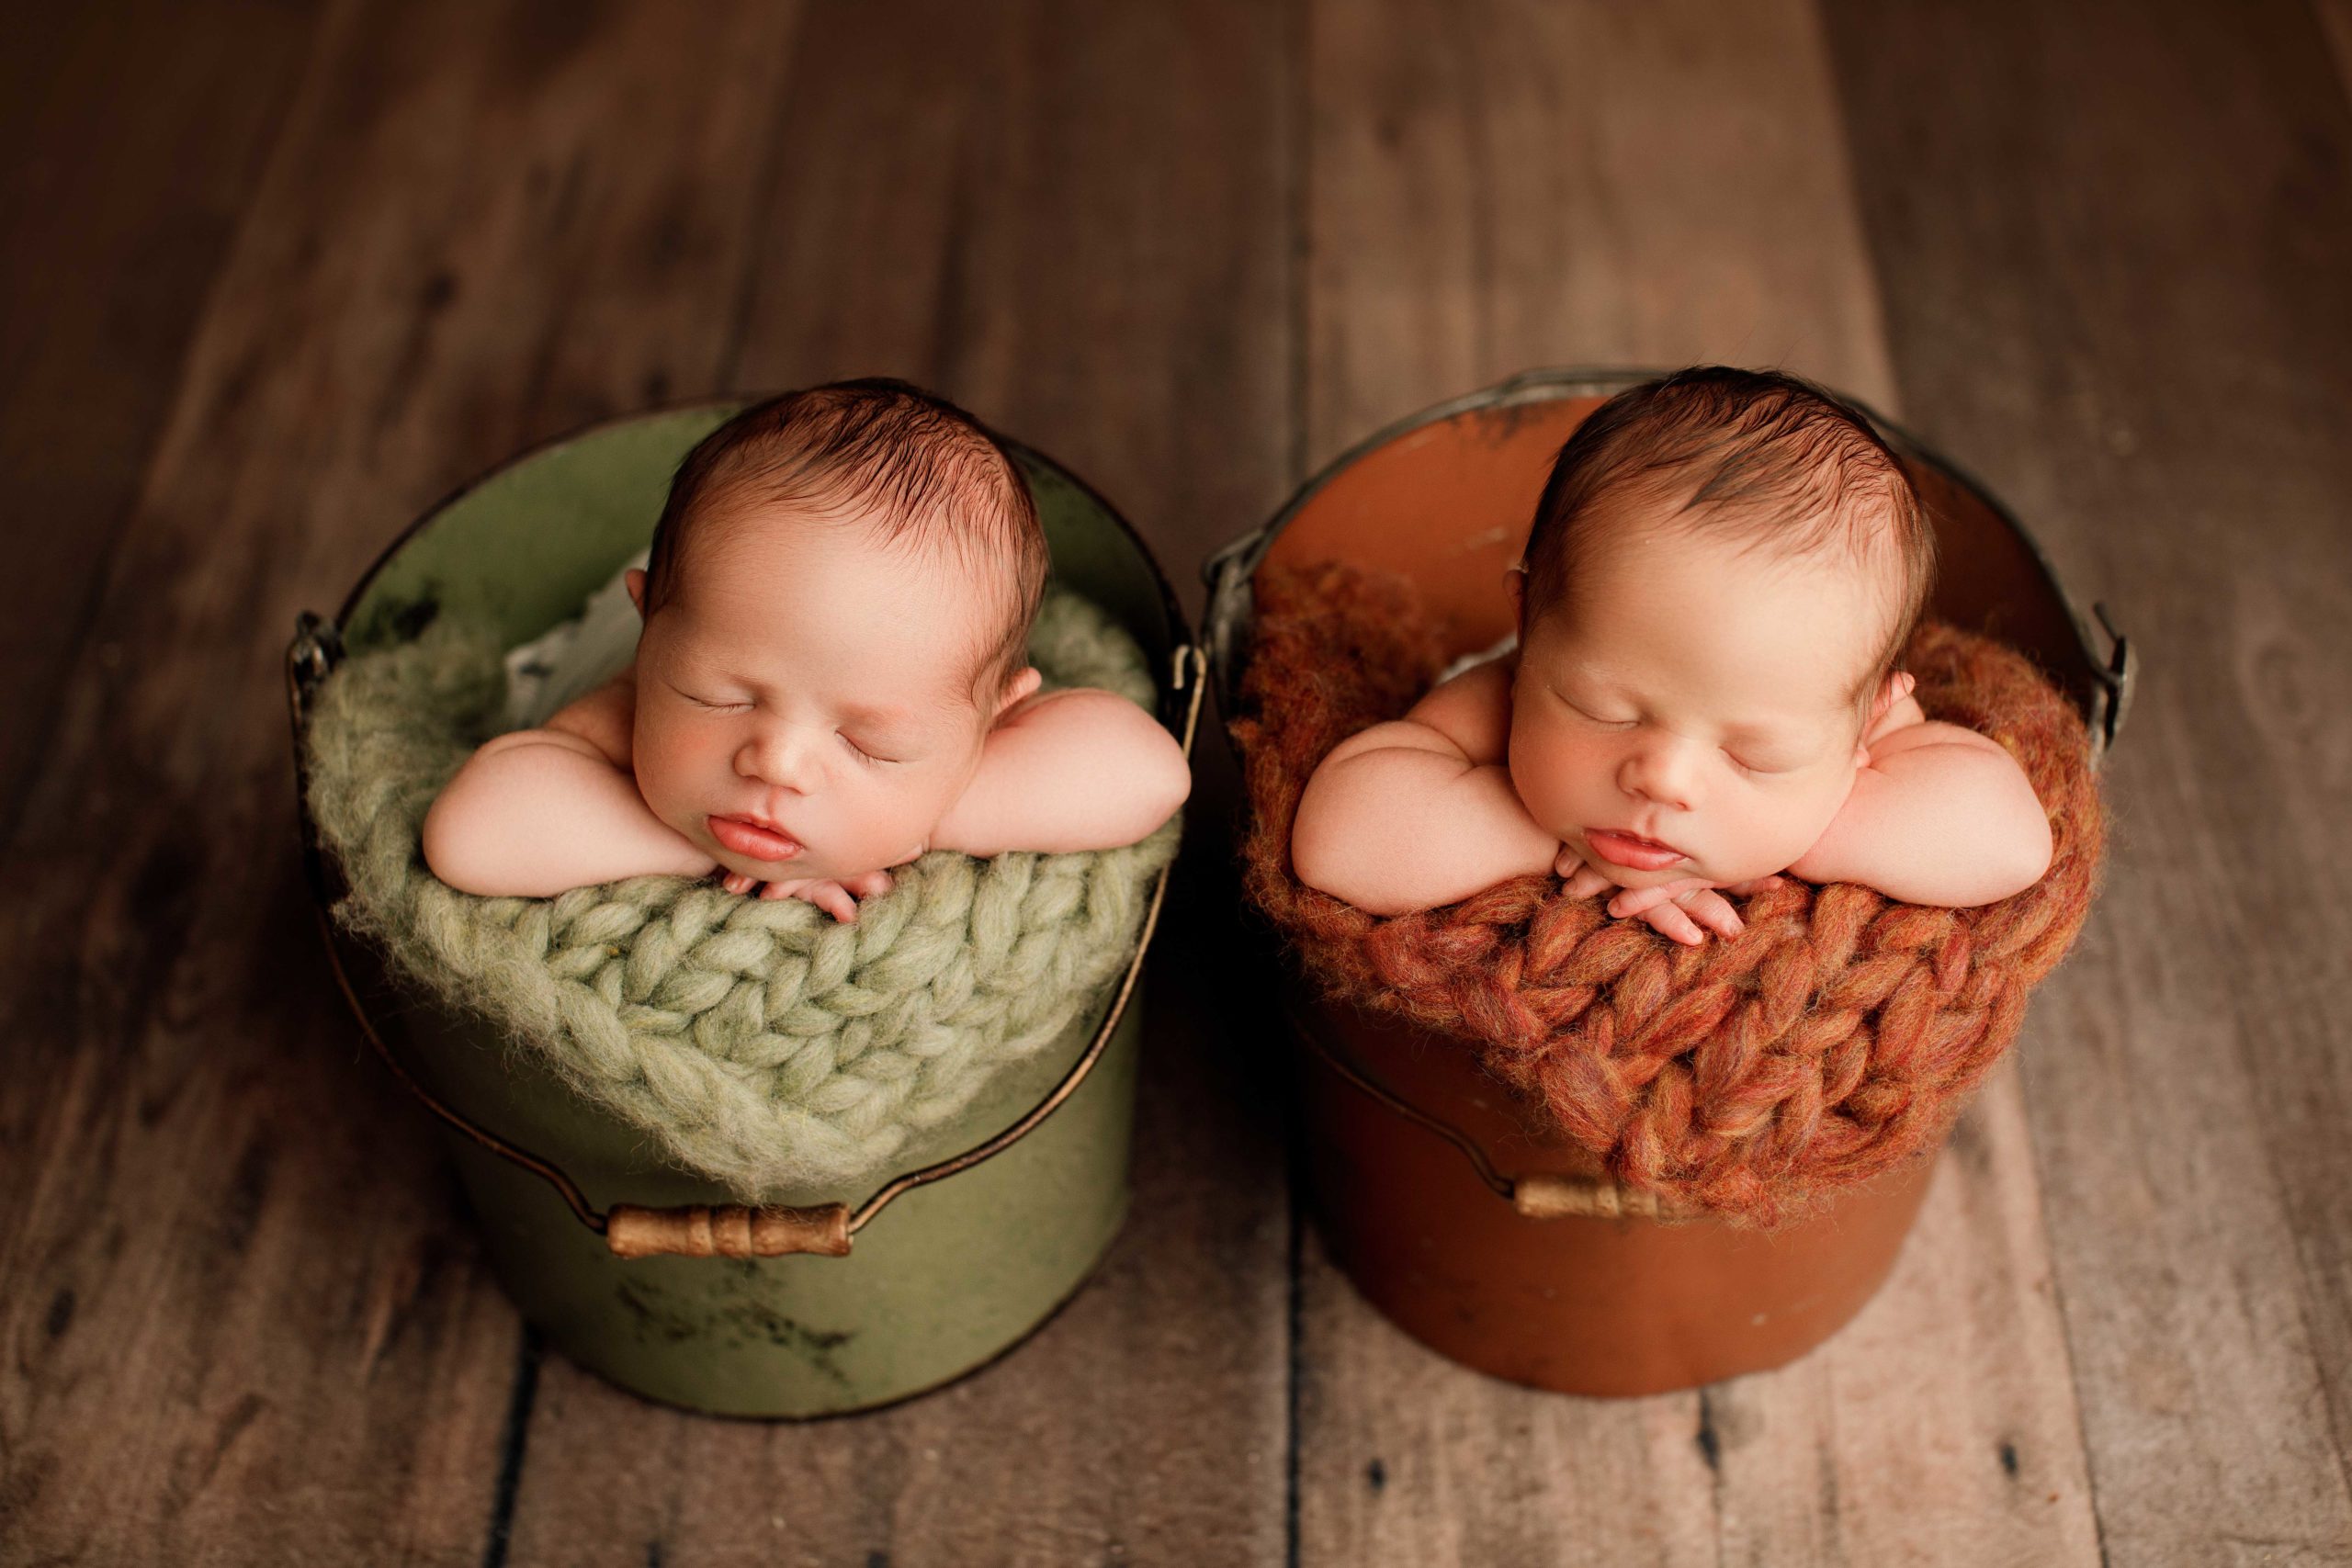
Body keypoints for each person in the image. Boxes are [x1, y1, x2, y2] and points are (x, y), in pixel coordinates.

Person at [1290, 367, 2052, 945]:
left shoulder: (1853, 719)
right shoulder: (1499, 700)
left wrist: (1783, 841)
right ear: (1528, 629)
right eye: (1606, 710)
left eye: (1755, 755)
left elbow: (2011, 842)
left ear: (1867, 722)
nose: (1665, 777)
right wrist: (1541, 829)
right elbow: (1336, 842)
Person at [423, 378, 1190, 922]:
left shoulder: (936, 710)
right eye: (720, 697)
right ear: (648, 627)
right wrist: (704, 851)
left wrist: (921, 822)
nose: (777, 763)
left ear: (990, 720)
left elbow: (1151, 771)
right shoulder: (625, 706)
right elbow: (471, 833)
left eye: (868, 744)